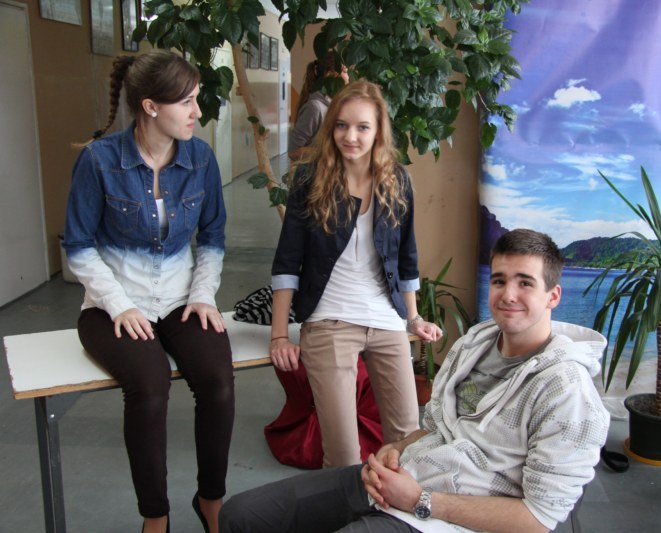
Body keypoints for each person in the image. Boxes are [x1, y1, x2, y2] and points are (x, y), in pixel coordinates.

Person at [220, 228, 611, 532]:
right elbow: (436, 427)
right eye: (499, 280)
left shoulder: (568, 393)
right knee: (240, 515)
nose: (508, 294)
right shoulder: (475, 344)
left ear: (553, 296)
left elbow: (538, 519)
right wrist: (396, 447)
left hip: (446, 515)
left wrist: (419, 500)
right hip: (404, 476)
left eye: (525, 282)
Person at [62, 50, 234, 533]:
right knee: (150, 386)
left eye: (196, 99)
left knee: (218, 382)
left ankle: (211, 499)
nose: (197, 112)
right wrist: (119, 306)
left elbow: (213, 238)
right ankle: (155, 516)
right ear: (151, 107)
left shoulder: (200, 159)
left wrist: (202, 295)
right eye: (187, 102)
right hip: (111, 306)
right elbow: (78, 246)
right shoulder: (99, 161)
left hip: (181, 300)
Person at [268, 79, 441, 468]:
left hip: (385, 320)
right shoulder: (309, 179)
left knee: (406, 445)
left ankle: (390, 507)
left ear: (379, 131)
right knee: (344, 457)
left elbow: (407, 256)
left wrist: (413, 317)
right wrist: (279, 335)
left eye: (363, 127)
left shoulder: (397, 180)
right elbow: (286, 263)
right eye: (342, 125)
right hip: (329, 320)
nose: (350, 136)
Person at [288, 51, 349, 161]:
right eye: (345, 71)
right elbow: (293, 152)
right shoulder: (314, 108)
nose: (348, 77)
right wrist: (329, 152)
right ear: (330, 74)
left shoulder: (336, 105)